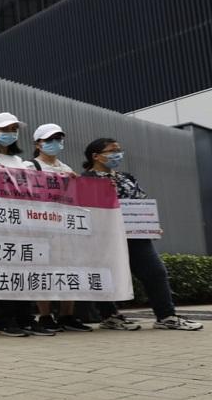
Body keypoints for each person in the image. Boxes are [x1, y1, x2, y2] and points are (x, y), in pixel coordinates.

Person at [83, 138, 203, 332]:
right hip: (105, 239)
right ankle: (110, 316)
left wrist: (151, 225)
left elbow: (142, 202)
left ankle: (166, 316)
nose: (117, 154)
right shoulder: (85, 180)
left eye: (119, 150)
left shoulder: (127, 177)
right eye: (112, 151)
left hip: (136, 236)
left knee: (155, 272)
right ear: (96, 156)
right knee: (108, 277)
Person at [0, 113, 52, 337]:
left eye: (13, 130)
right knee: (3, 273)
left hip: (23, 224)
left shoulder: (22, 163)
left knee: (24, 271)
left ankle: (25, 318)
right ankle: (4, 320)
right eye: (5, 129)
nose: (10, 134)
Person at [27, 124, 92, 333]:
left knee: (70, 269)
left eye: (58, 139)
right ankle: (45, 316)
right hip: (41, 226)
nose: (55, 143)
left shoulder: (66, 169)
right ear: (38, 144)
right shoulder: (30, 167)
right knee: (43, 271)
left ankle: (67, 315)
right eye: (49, 140)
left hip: (66, 226)